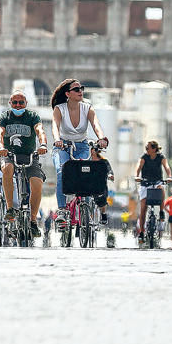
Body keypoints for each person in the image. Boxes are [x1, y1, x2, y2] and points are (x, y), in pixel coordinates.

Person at [50, 78, 108, 230]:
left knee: (86, 172)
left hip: (82, 145)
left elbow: (96, 124)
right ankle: (62, 210)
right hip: (63, 146)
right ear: (68, 94)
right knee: (62, 171)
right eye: (76, 89)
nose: (80, 91)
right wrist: (57, 140)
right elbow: (55, 127)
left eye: (81, 88)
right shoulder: (59, 109)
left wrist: (101, 138)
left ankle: (86, 204)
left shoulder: (87, 108)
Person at [0, 89, 48, 237]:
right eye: (15, 102)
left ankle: (32, 220)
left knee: (37, 183)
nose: (18, 105)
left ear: (26, 103)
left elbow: (40, 130)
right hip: (9, 155)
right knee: (7, 168)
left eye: (21, 102)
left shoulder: (32, 116)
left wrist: (43, 144)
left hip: (30, 155)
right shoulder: (4, 117)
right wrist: (1, 148)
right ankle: (10, 208)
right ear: (10, 103)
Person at [133, 140, 172, 241]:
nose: (146, 150)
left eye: (148, 148)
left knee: (161, 188)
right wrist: (137, 176)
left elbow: (166, 166)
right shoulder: (144, 157)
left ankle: (161, 211)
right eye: (146, 148)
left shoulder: (161, 157)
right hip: (145, 183)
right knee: (143, 209)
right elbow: (138, 167)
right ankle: (142, 231)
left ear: (154, 149)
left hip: (157, 182)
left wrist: (169, 176)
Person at [88, 143, 113, 224]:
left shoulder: (104, 162)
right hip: (88, 184)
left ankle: (103, 214)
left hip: (100, 185)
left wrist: (110, 175)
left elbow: (109, 170)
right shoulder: (86, 162)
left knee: (102, 199)